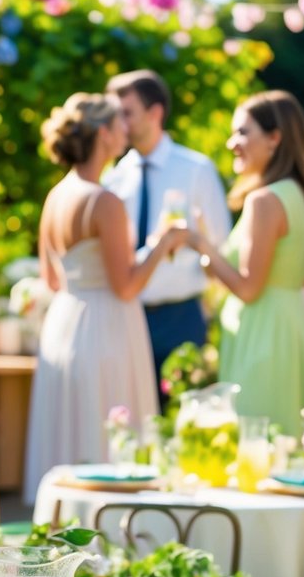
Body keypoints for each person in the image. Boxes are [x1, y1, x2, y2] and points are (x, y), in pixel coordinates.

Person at [24, 92, 185, 503]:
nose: (125, 131)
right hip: (106, 329)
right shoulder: (104, 200)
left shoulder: (56, 196)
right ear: (102, 133)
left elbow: (51, 279)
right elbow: (127, 285)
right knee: (105, 430)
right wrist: (161, 244)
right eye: (118, 124)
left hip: (65, 324)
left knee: (72, 428)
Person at [182, 90, 304, 437]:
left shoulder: (264, 200)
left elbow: (248, 287)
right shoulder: (302, 195)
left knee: (258, 446)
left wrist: (199, 243)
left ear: (274, 138)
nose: (233, 143)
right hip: (291, 328)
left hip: (263, 339)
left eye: (243, 132)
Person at [105, 69, 231, 383]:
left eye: (127, 113)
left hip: (182, 316)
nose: (119, 124)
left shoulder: (196, 169)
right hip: (126, 314)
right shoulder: (114, 178)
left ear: (155, 112)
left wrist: (192, 246)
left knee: (183, 415)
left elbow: (222, 245)